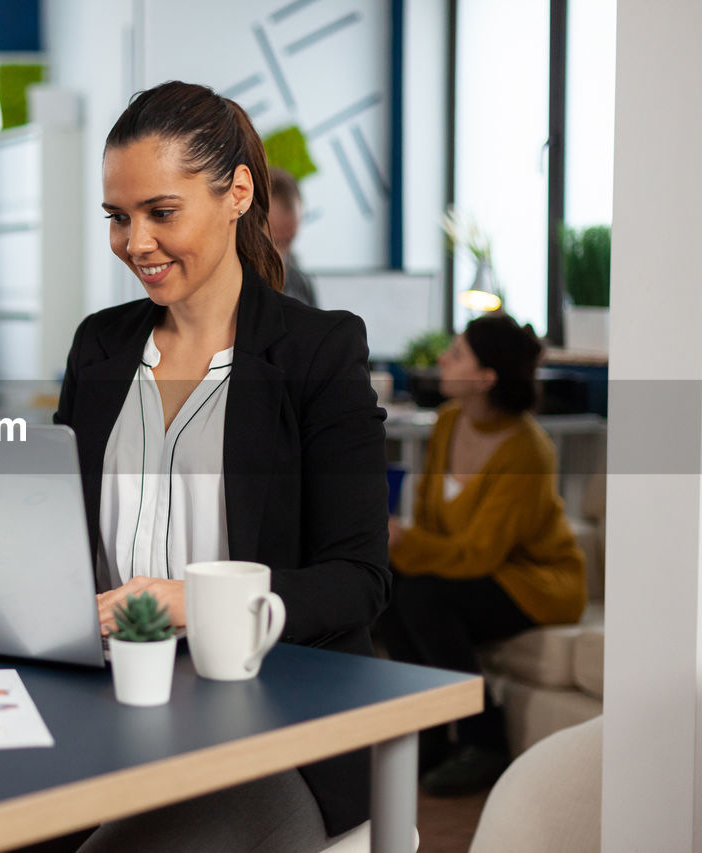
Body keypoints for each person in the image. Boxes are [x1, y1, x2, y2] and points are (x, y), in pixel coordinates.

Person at [53, 81, 389, 852]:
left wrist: (189, 601)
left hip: (267, 734)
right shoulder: (99, 349)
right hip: (111, 706)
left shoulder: (317, 352)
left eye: (161, 212)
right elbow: (59, 536)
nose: (136, 242)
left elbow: (358, 579)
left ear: (238, 193)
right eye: (118, 217)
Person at [380, 313, 586, 797]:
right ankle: (429, 733)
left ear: (485, 377)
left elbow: (479, 556)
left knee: (424, 599)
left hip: (535, 584)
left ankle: (484, 739)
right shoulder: (450, 422)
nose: (442, 360)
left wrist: (403, 541)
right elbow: (434, 526)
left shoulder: (528, 452)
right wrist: (397, 548)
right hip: (473, 571)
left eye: (456, 353)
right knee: (390, 587)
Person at [267, 167, 317, 307]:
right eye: (276, 241)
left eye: (288, 240)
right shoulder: (230, 284)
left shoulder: (300, 281)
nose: (282, 254)